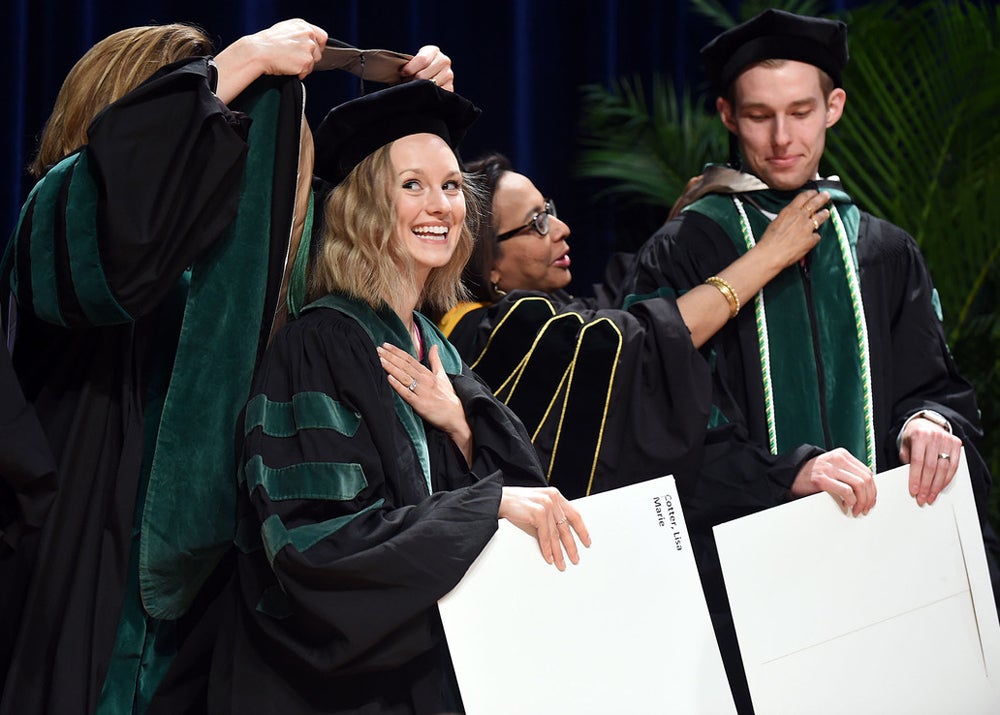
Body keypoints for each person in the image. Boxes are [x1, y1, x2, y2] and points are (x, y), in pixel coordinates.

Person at [0, 18, 454, 714]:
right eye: (197, 104)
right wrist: (236, 61)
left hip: (208, 595)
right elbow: (123, 221)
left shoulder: (232, 265)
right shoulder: (60, 208)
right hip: (83, 558)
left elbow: (334, 227)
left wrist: (406, 112)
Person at [622, 9, 1000, 712]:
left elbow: (937, 385)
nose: (783, 137)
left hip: (881, 560)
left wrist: (926, 422)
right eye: (760, 115)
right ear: (728, 116)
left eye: (801, 111)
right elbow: (658, 405)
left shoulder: (883, 249)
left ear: (835, 107)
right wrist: (783, 471)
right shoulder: (687, 248)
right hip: (745, 566)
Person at [202, 80, 589, 714]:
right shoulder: (321, 345)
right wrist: (483, 508)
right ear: (361, 206)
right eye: (411, 185)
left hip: (439, 675)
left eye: (451, 186)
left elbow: (530, 493)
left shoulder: (435, 345)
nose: (439, 206)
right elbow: (317, 547)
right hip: (340, 694)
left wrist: (464, 425)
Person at [437, 151, 829, 499]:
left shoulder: (548, 314)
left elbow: (610, 317)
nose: (560, 228)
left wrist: (676, 228)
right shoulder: (485, 333)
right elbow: (634, 341)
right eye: (536, 223)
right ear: (486, 261)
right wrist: (768, 256)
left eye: (549, 211)